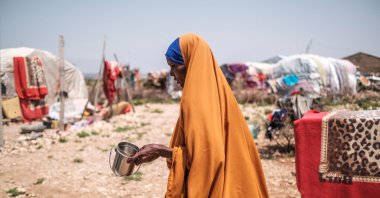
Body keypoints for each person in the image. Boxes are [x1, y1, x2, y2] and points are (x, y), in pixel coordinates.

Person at [128, 33, 269, 197]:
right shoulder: (221, 93)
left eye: (175, 66)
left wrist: (162, 151)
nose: (172, 74)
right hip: (239, 185)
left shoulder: (194, 101)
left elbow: (207, 159)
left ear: (191, 63)